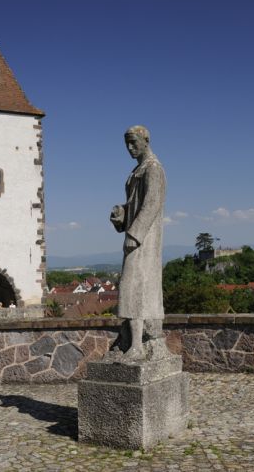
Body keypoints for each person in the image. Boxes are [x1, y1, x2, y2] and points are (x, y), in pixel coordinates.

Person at [110, 125, 166, 361]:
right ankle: (132, 341)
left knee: (133, 286)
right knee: (134, 287)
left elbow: (152, 204)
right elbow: (135, 204)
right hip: (135, 237)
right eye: (127, 144)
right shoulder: (137, 170)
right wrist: (122, 214)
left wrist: (134, 234)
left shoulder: (153, 168)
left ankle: (137, 346)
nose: (130, 148)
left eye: (134, 142)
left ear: (146, 140)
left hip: (144, 240)